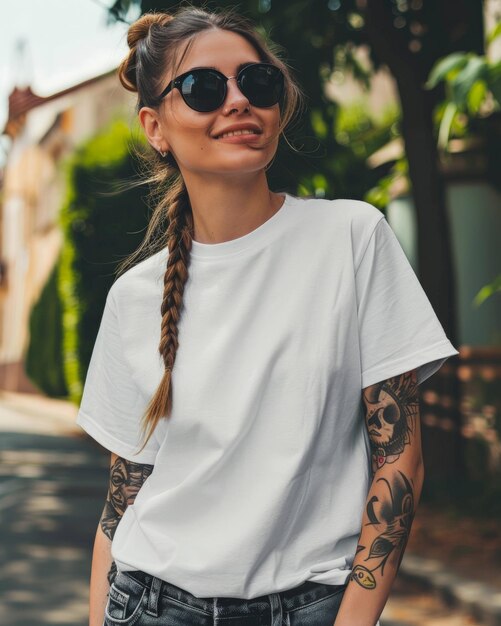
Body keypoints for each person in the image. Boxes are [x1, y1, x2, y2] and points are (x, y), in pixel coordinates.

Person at [75, 5, 460, 626]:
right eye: (203, 88)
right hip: (147, 604)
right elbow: (122, 500)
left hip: (312, 606)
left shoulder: (352, 238)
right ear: (155, 127)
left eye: (257, 82)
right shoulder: (134, 297)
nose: (237, 102)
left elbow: (400, 459)